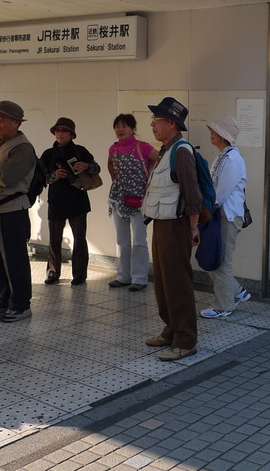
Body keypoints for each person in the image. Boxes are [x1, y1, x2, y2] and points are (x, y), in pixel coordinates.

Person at [142, 97, 201, 361]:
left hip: (177, 227)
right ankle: (171, 329)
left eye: (157, 120)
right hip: (161, 224)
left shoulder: (181, 151)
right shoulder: (167, 149)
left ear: (172, 123)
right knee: (163, 283)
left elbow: (192, 193)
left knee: (178, 284)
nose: (152, 124)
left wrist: (193, 228)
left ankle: (186, 340)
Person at [0, 101, 38, 323]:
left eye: (2, 119)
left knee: (14, 259)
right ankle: (3, 297)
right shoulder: (1, 142)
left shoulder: (22, 148)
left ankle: (20, 305)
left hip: (11, 211)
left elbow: (7, 178)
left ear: (16, 123)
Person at [39, 117, 100, 286]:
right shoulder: (48, 154)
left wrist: (86, 166)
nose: (60, 133)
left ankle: (80, 274)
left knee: (79, 238)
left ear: (72, 134)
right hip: (56, 200)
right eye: (57, 130)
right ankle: (53, 272)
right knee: (54, 239)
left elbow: (97, 168)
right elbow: (40, 178)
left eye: (64, 130)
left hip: (77, 200)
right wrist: (54, 175)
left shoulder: (80, 151)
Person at [199, 116, 250, 318]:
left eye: (214, 130)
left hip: (226, 216)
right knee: (216, 258)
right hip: (221, 215)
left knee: (221, 261)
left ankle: (223, 306)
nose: (211, 133)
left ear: (223, 136)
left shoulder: (231, 159)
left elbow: (219, 194)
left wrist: (204, 212)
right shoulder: (225, 156)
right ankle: (237, 293)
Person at [106, 113, 157, 291]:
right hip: (119, 199)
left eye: (125, 126)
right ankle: (123, 276)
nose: (120, 129)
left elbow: (157, 159)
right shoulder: (113, 149)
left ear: (133, 129)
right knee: (122, 240)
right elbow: (110, 163)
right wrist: (116, 180)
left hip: (139, 200)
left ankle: (140, 278)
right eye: (117, 126)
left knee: (139, 240)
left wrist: (148, 177)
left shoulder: (142, 146)